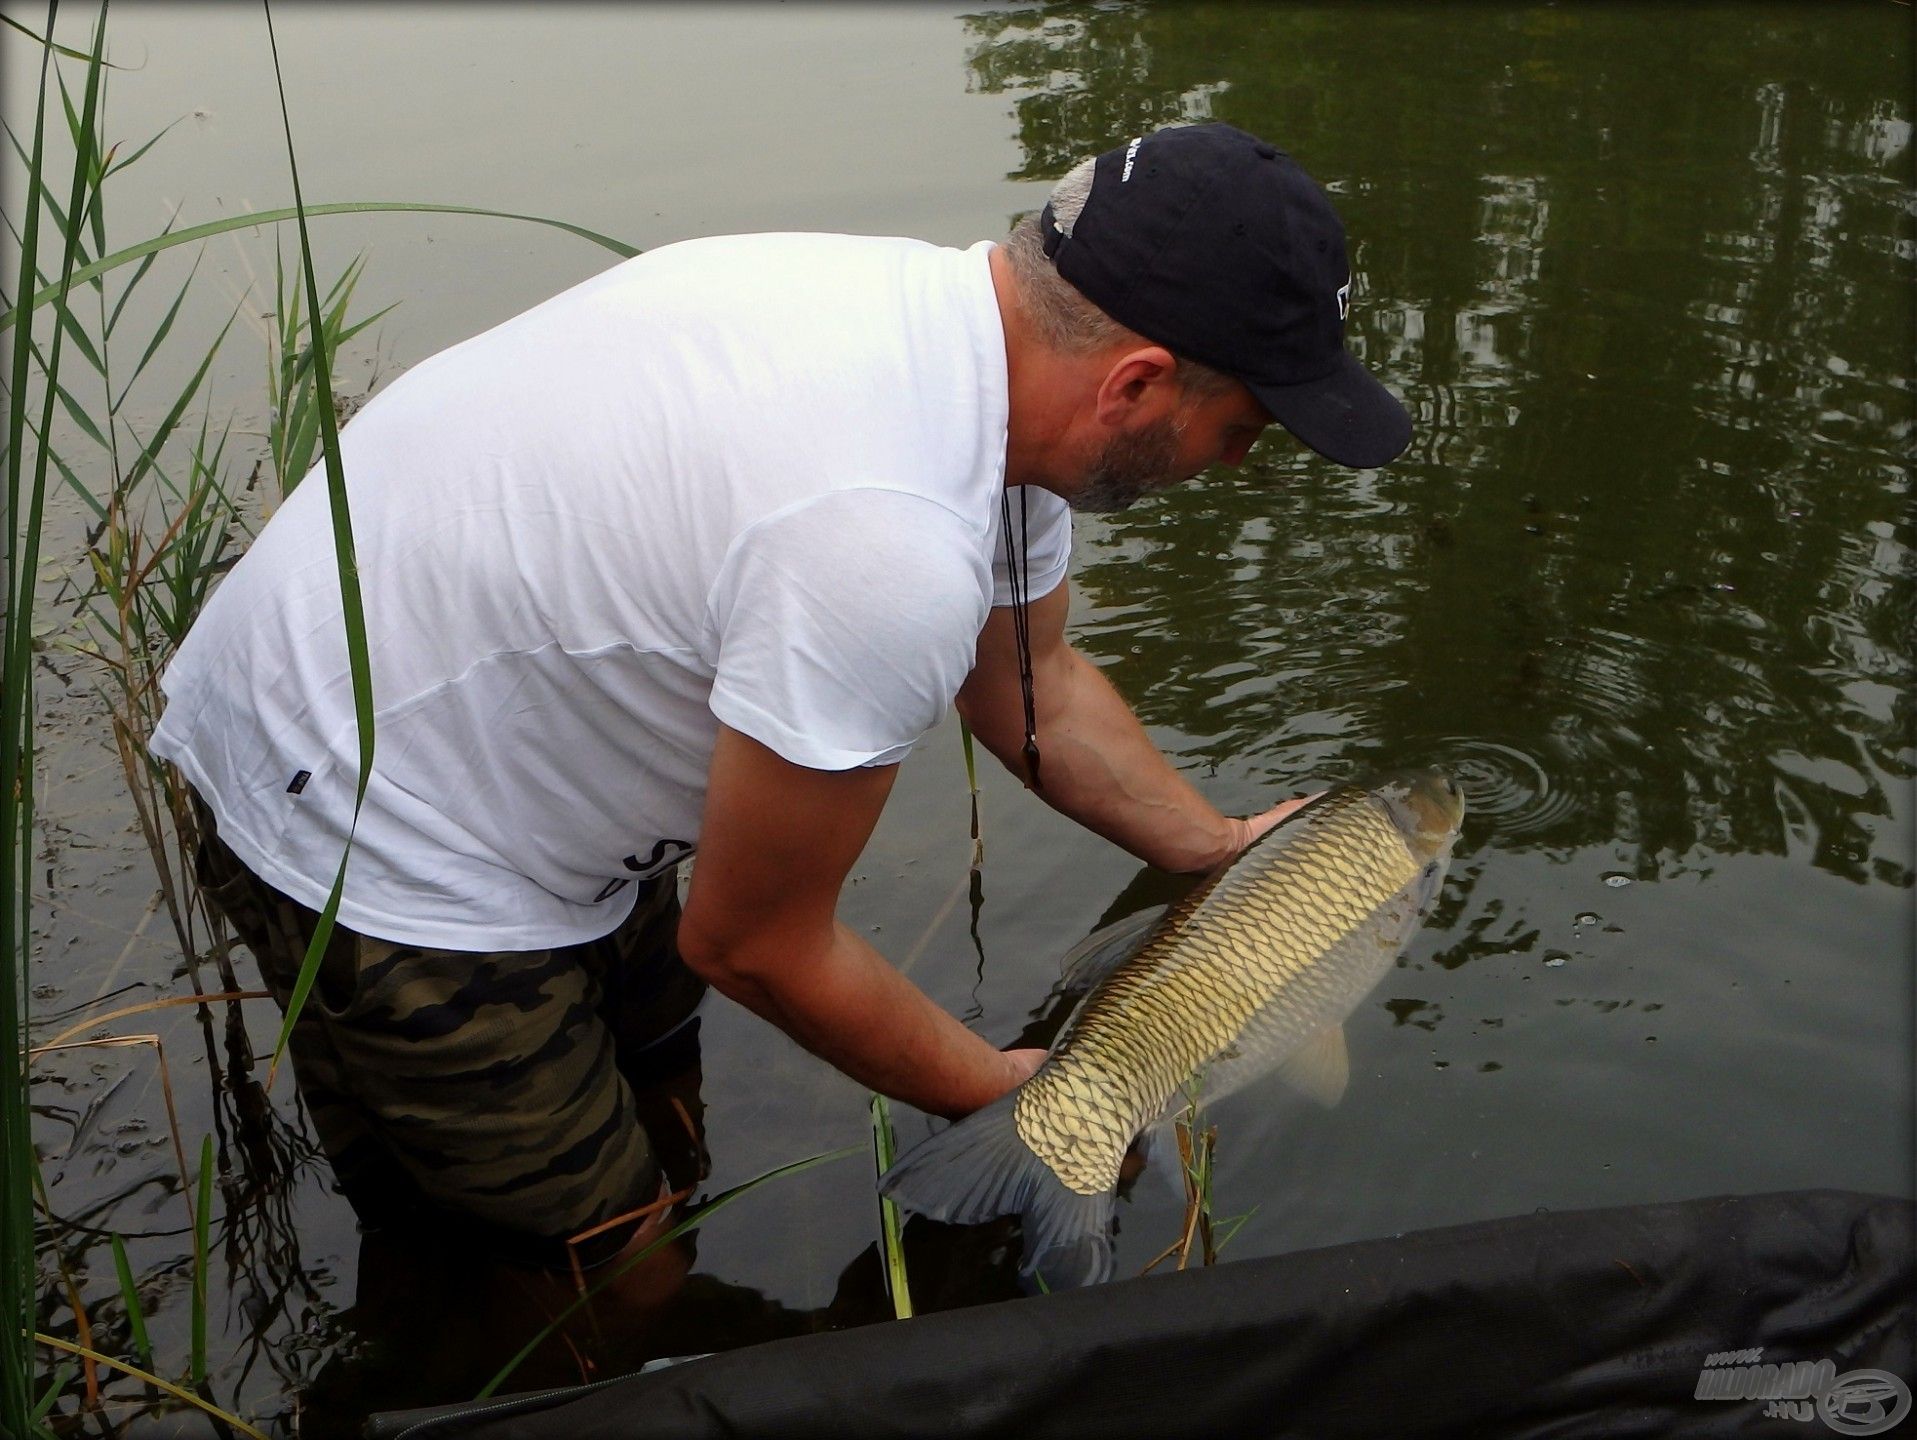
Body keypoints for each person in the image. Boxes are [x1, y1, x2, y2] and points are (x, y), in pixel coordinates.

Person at [150, 123, 1410, 1276]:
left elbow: (1035, 691)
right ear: (1135, 385)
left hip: (508, 720)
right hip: (362, 800)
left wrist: (1221, 848)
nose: (1241, 465)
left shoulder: (975, 363)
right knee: (616, 1257)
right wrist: (1012, 1094)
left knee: (661, 1092)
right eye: (1244, 426)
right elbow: (751, 944)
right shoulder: (882, 540)